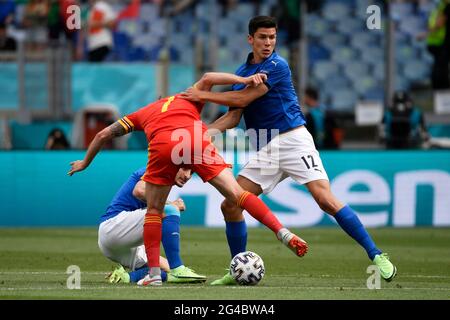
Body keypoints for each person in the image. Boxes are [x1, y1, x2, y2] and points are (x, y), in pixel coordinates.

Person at [180, 16, 397, 285]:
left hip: (294, 139)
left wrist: (202, 95)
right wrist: (203, 134)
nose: (268, 42)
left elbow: (243, 98)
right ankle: (237, 268)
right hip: (267, 146)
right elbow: (234, 117)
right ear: (250, 39)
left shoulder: (277, 65)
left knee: (324, 199)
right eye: (262, 37)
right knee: (230, 204)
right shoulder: (241, 72)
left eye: (272, 37)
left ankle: (376, 254)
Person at [68, 71, 308, 287]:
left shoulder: (142, 113)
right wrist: (244, 80)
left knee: (154, 210)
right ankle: (283, 232)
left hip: (163, 144)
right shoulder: (188, 96)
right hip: (193, 137)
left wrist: (85, 163)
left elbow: (102, 134)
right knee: (238, 194)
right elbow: (209, 77)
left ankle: (152, 274)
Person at [101, 166, 206, 284]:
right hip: (114, 225)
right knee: (170, 210)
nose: (188, 176)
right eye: (185, 169)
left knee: (164, 269)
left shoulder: (165, 180)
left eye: (192, 172)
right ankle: (178, 268)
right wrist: (172, 203)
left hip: (116, 245)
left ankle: (125, 277)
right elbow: (139, 191)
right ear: (175, 165)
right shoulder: (159, 167)